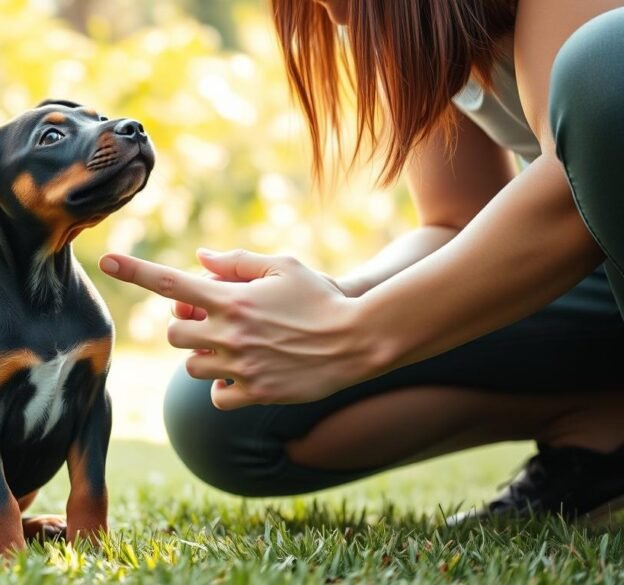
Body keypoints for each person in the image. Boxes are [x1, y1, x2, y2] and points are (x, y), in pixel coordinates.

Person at [99, 0, 624, 522]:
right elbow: (455, 220)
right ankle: (602, 432)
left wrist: (356, 331)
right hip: (595, 283)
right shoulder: (412, 23)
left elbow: (571, 191)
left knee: (606, 61)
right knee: (222, 406)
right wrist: (331, 301)